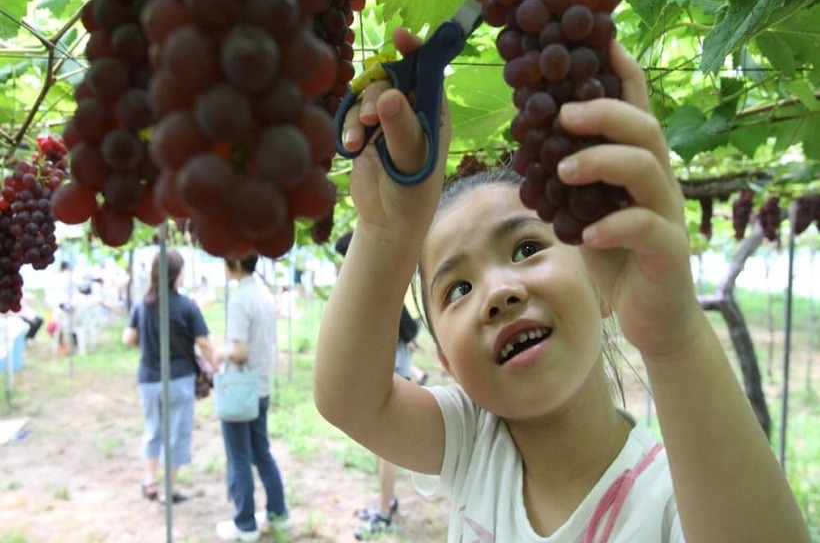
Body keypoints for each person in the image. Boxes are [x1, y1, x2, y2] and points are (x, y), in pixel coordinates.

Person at [313, 27, 811, 542]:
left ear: (600, 288)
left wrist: (674, 338)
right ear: (445, 361)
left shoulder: (674, 497)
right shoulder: (471, 441)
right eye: (457, 289)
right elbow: (349, 400)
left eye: (527, 249)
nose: (498, 293)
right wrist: (385, 230)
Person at [334, 231, 421, 539]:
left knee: (387, 445)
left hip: (391, 370)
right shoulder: (383, 278)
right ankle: (387, 503)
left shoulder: (375, 284)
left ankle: (384, 512)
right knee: (382, 444)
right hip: (388, 367)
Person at [122, 249, 216, 505]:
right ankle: (169, 488)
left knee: (153, 429)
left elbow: (128, 338)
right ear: (177, 274)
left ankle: (150, 481)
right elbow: (204, 343)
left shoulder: (143, 305)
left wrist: (150, 341)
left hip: (149, 379)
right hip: (179, 380)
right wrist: (215, 365)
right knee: (176, 433)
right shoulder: (186, 306)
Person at [215, 253, 289, 543]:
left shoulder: (239, 300)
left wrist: (220, 352)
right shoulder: (263, 294)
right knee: (261, 452)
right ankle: (278, 512)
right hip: (260, 386)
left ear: (234, 264)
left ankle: (245, 524)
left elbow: (240, 351)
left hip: (239, 388)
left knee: (239, 458)